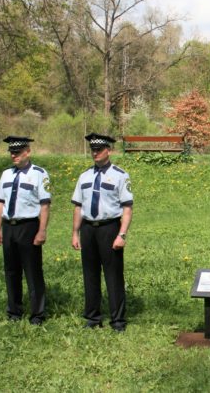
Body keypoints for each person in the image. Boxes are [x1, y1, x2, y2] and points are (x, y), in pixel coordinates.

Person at [71, 133, 133, 332]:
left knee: (113, 276)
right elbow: (78, 207)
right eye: (93, 150)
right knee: (90, 274)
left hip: (109, 228)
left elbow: (127, 208)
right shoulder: (84, 176)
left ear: (109, 150)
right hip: (88, 229)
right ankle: (92, 318)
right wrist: (75, 232)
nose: (95, 153)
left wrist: (122, 234)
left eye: (99, 149)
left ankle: (118, 321)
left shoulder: (120, 175)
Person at [0, 136, 51, 325]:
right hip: (9, 226)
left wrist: (42, 231)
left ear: (28, 152)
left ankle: (37, 315)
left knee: (33, 271)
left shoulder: (39, 174)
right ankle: (14, 312)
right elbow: (0, 202)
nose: (13, 155)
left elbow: (44, 205)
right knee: (11, 271)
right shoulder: (6, 175)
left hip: (29, 227)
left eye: (17, 152)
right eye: (11, 152)